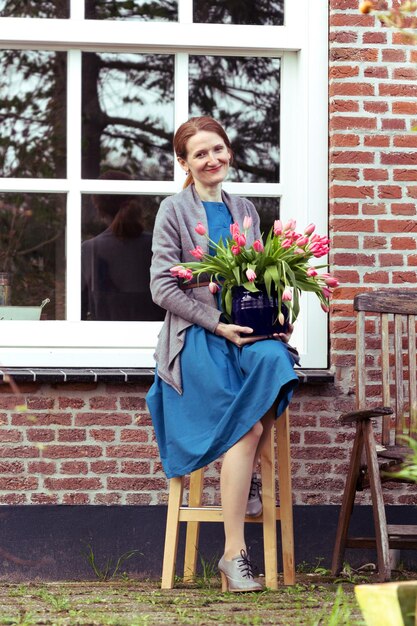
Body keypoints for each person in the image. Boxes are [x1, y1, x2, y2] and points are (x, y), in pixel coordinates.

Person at [146, 117, 299, 592]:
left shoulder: (245, 209)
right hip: (198, 339)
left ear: (228, 152)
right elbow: (160, 287)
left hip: (244, 335)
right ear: (185, 164)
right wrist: (216, 322)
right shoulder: (173, 210)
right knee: (248, 427)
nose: (212, 159)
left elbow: (252, 278)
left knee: (277, 360)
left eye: (218, 149)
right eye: (199, 154)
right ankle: (234, 556)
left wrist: (273, 313)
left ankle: (247, 472)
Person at [81, 170, 164, 321]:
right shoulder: (159, 246)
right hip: (160, 340)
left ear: (98, 208)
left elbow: (78, 312)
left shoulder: (90, 249)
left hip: (104, 341)